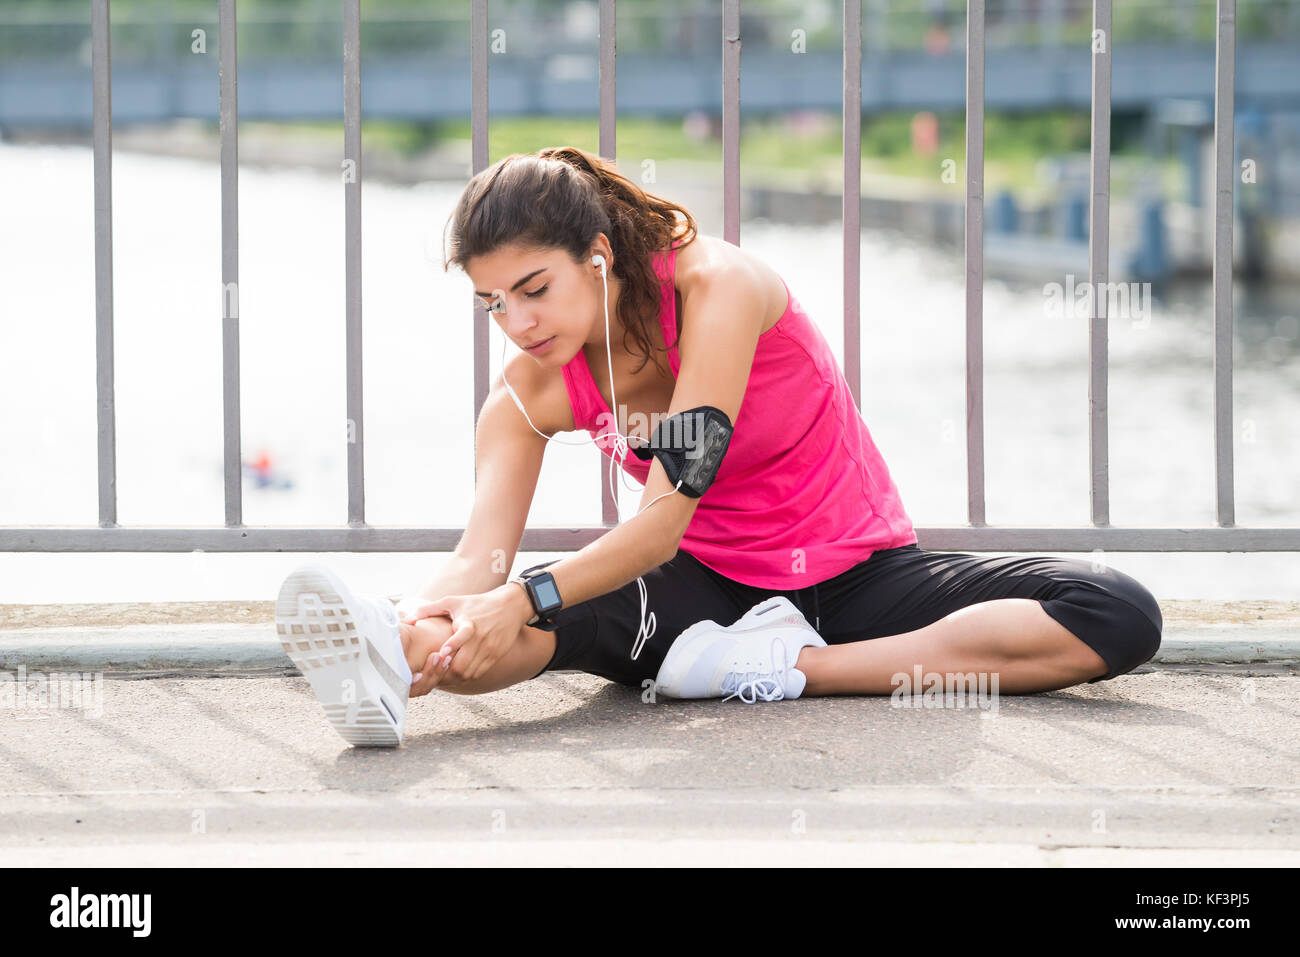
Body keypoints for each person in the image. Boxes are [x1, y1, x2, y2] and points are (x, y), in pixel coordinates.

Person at [276, 145, 1163, 747]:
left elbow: (662, 516)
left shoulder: (717, 288)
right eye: (492, 302)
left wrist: (523, 592)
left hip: (852, 571)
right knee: (482, 638)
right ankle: (388, 655)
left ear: (596, 254)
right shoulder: (525, 393)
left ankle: (786, 672)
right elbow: (484, 552)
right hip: (704, 590)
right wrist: (422, 614)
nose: (517, 322)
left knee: (1114, 613)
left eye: (533, 288)